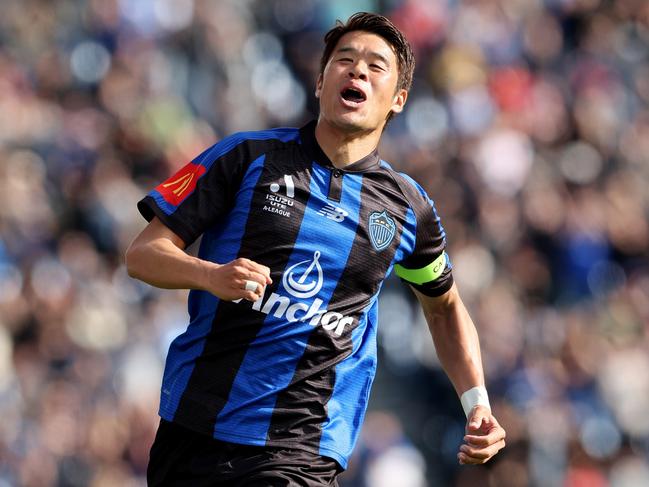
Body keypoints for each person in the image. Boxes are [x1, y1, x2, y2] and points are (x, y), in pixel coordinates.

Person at [126, 11, 506, 486]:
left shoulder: (408, 209)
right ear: (320, 81)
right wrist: (210, 275)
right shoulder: (246, 157)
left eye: (375, 66)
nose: (357, 71)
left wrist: (477, 403)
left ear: (399, 100)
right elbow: (142, 254)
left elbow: (444, 308)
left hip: (302, 447)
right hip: (195, 425)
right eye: (345, 60)